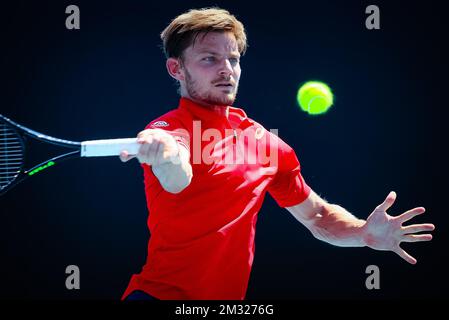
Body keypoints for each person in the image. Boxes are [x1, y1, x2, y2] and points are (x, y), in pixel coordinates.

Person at [119, 7, 435, 300]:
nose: (227, 70)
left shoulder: (266, 143)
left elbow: (318, 216)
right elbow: (176, 178)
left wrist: (362, 232)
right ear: (176, 68)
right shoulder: (167, 130)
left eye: (233, 59)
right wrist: (166, 154)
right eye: (209, 59)